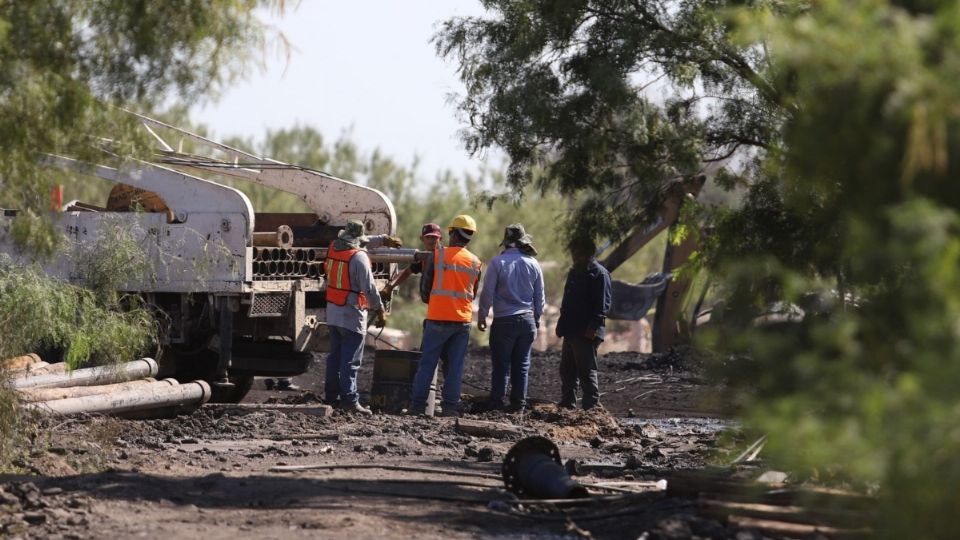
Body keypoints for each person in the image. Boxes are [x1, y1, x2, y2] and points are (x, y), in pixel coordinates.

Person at [323, 220, 400, 414]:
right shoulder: (359, 258)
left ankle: (331, 398)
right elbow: (370, 289)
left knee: (335, 358)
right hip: (351, 315)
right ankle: (350, 400)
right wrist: (380, 310)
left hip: (333, 312)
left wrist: (382, 240)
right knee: (351, 360)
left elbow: (362, 241)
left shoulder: (334, 247)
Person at [410, 215, 482, 417]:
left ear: (451, 232)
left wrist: (434, 302)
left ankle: (417, 407)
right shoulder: (476, 262)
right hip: (462, 322)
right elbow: (472, 293)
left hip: (437, 318)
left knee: (427, 363)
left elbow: (425, 288)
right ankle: (450, 408)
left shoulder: (438, 255)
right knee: (455, 366)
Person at [477, 223, 545, 412]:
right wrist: (537, 317)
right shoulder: (533, 263)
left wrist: (482, 315)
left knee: (501, 366)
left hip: (504, 321)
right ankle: (518, 406)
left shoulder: (498, 263)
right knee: (522, 365)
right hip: (527, 320)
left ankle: (496, 405)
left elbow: (487, 293)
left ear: (506, 243)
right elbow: (540, 296)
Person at [556, 235, 612, 410]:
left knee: (586, 371)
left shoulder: (600, 274)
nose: (574, 257)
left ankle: (591, 407)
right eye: (573, 253)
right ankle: (568, 404)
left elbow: (603, 305)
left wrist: (593, 328)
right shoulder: (574, 272)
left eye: (577, 253)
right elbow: (567, 300)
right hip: (571, 330)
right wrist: (561, 324)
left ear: (588, 254)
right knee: (567, 370)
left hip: (586, 332)